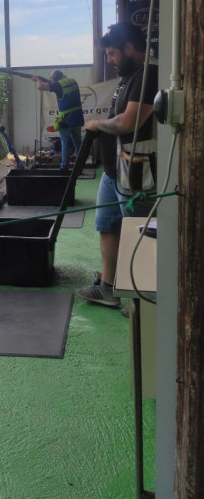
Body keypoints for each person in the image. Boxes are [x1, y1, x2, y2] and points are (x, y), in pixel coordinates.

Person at [75, 21, 158, 309]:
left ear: (129, 48)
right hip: (113, 172)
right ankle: (109, 287)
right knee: (107, 226)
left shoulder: (149, 75)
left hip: (136, 175)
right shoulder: (129, 76)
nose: (110, 60)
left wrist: (98, 124)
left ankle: (139, 301)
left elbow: (128, 122)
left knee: (138, 234)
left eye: (112, 54)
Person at [34, 70, 84, 169]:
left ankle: (64, 167)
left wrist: (37, 80)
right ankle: (80, 166)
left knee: (65, 144)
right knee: (78, 142)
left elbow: (40, 87)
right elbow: (54, 85)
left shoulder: (58, 84)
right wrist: (49, 81)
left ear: (55, 79)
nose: (50, 80)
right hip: (77, 117)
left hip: (66, 120)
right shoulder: (73, 81)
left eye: (51, 78)